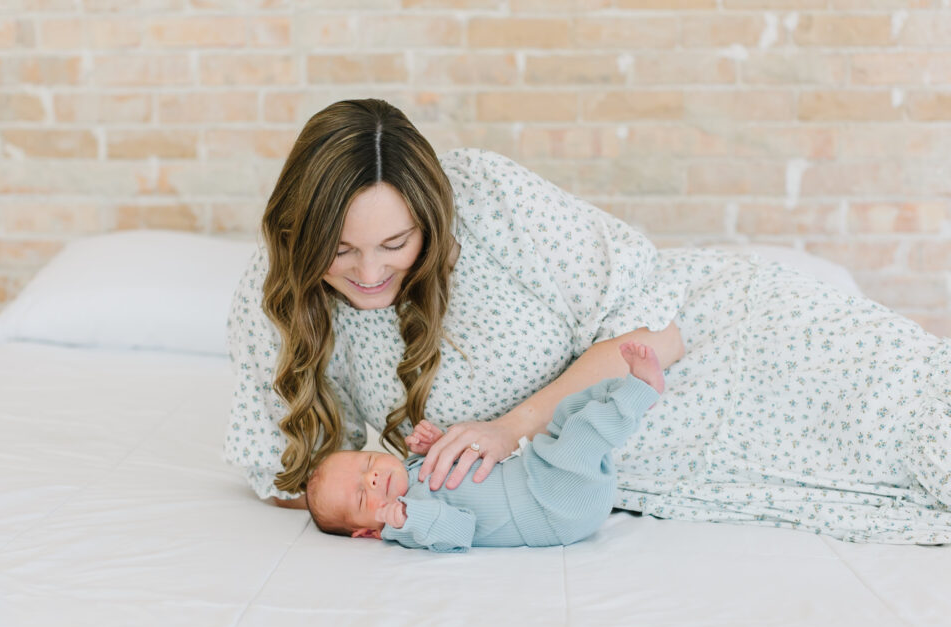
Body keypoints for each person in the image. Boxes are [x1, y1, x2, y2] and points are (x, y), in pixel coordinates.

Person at [226, 97, 951, 544]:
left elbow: (656, 331)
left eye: (395, 244)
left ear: (431, 217)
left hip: (729, 346)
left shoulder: (485, 197)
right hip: (663, 453)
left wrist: (511, 426)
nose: (370, 273)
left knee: (918, 400)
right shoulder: (274, 296)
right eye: (341, 251)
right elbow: (294, 475)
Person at [305, 342, 664, 552]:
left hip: (537, 473)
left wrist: (434, 445)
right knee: (581, 437)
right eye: (360, 496)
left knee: (568, 414)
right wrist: (407, 519)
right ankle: (639, 392)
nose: (371, 478)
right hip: (551, 509)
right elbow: (460, 530)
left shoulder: (412, 473)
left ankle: (622, 392)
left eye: (367, 461)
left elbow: (456, 472)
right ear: (368, 531)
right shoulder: (408, 521)